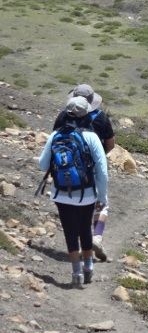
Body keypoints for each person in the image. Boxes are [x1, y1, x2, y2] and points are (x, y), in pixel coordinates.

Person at [39, 96, 108, 289]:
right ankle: (88, 266)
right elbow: (102, 171)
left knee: (70, 231)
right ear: (86, 114)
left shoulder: (55, 135)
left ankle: (76, 271)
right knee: (85, 229)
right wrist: (102, 197)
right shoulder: (92, 137)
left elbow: (41, 164)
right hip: (86, 193)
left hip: (60, 192)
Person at [53, 84, 114, 261]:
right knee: (101, 203)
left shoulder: (64, 115)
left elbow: (55, 140)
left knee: (75, 205)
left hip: (67, 169)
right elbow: (110, 144)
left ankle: (78, 247)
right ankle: (97, 236)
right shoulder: (100, 117)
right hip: (93, 166)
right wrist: (97, 158)